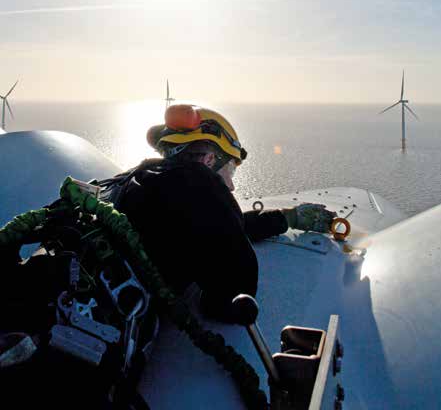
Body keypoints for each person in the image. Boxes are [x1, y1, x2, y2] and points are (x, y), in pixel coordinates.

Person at [118, 104, 336, 322]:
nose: (231, 186)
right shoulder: (198, 184)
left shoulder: (140, 180)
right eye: (231, 169)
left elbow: (212, 229)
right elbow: (230, 296)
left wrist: (286, 218)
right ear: (209, 160)